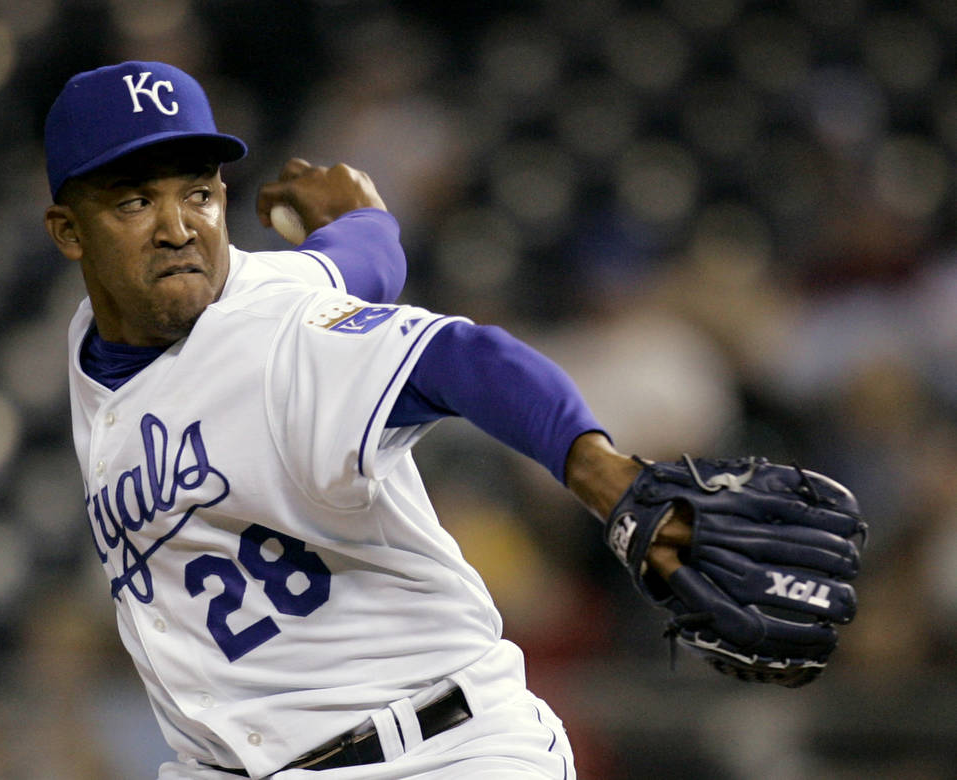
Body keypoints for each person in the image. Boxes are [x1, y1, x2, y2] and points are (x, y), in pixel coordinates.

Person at [42, 60, 691, 779]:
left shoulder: (274, 332)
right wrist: (363, 219)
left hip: (436, 754)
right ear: (69, 233)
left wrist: (607, 477)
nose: (178, 229)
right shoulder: (103, 342)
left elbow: (462, 357)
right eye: (133, 203)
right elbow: (360, 265)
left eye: (198, 193)